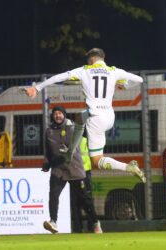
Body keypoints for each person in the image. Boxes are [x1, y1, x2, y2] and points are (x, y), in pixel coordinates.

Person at [25, 48, 146, 183]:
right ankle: (70, 152)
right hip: (109, 116)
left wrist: (37, 88)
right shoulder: (114, 71)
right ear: (102, 58)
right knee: (80, 118)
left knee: (96, 160)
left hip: (96, 119)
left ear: (91, 59)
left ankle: (128, 167)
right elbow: (140, 79)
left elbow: (58, 77)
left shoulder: (84, 70)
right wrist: (124, 86)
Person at [41, 105, 102, 234]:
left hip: (75, 168)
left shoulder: (74, 128)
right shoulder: (49, 131)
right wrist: (46, 163)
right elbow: (48, 150)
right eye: (55, 113)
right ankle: (53, 221)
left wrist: (67, 151)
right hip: (58, 169)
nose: (58, 115)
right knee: (53, 195)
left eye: (60, 113)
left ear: (64, 115)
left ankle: (95, 223)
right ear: (53, 116)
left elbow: (72, 146)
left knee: (85, 199)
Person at [71, 134, 95, 232]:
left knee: (76, 202)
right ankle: (91, 226)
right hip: (84, 173)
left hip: (76, 174)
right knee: (87, 200)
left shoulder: (69, 140)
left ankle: (78, 228)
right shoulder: (87, 140)